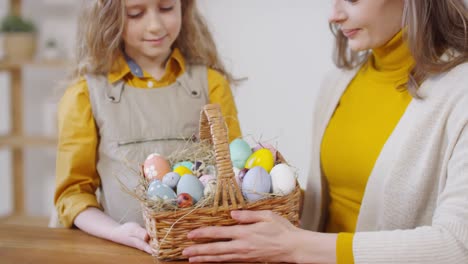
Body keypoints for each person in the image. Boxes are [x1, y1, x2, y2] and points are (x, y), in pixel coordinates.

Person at [182, 0, 468, 263]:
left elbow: (458, 245)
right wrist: (276, 193)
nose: (335, 15)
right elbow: (331, 212)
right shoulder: (338, 83)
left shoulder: (459, 93)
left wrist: (295, 245)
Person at [53, 0, 241, 254]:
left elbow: (234, 174)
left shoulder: (211, 84)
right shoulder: (85, 94)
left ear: (183, 9)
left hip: (197, 250)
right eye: (135, 13)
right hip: (120, 250)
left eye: (166, 9)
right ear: (109, 19)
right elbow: (72, 194)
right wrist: (116, 233)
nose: (155, 26)